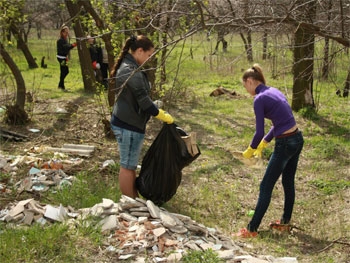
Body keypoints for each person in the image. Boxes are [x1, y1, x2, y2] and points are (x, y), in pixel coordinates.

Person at [236, 64, 304, 238]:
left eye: (245, 86)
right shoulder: (274, 91)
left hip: (285, 144)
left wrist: (250, 150)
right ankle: (285, 223)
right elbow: (280, 122)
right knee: (288, 182)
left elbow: (259, 131)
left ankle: (251, 230)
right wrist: (265, 142)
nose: (246, 90)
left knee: (265, 186)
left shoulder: (259, 99)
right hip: (297, 139)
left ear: (250, 81)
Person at [110, 35, 174, 198]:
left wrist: (155, 106)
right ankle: (129, 201)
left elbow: (139, 96)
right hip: (127, 125)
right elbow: (143, 100)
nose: (150, 58)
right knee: (127, 165)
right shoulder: (129, 70)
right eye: (149, 55)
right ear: (139, 51)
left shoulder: (132, 67)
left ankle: (133, 198)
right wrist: (160, 114)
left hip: (130, 122)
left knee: (130, 165)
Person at [56, 25, 76, 91]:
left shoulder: (65, 40)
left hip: (63, 57)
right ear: (62, 32)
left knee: (65, 71)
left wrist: (66, 57)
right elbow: (67, 47)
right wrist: (74, 45)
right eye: (65, 32)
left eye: (67, 32)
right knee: (64, 71)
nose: (67, 34)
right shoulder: (60, 40)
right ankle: (61, 86)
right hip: (61, 58)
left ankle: (60, 85)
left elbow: (66, 49)